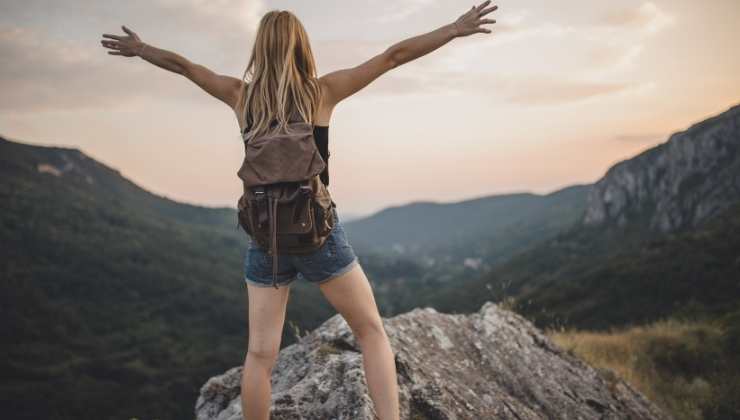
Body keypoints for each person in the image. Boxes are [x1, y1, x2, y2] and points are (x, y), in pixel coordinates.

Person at [100, 2, 497, 419]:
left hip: (265, 239)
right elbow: (392, 57)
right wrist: (453, 29)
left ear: (260, 50)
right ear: (301, 47)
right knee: (371, 331)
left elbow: (184, 66)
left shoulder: (241, 97)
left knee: (259, 356)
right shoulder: (320, 93)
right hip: (318, 235)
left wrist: (142, 49)